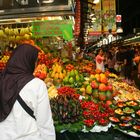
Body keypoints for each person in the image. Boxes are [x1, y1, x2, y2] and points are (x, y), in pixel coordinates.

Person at [0, 43, 56, 140]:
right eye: (35, 62)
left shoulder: (2, 80)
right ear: (28, 61)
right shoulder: (37, 85)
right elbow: (45, 123)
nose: (35, 65)